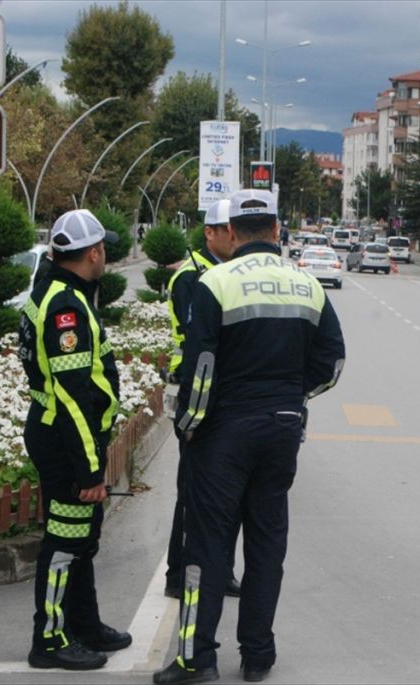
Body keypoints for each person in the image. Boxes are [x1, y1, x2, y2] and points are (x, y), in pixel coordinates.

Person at [154, 190, 345, 685]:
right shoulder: (308, 285)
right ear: (278, 232)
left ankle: (196, 658)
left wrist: (190, 426)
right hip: (282, 428)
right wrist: (293, 397)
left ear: (233, 233)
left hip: (223, 433)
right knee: (266, 546)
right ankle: (258, 655)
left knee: (208, 548)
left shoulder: (213, 283)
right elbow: (333, 363)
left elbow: (200, 369)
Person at [18, 209, 131, 671]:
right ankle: (48, 640)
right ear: (94, 253)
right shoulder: (66, 307)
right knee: (65, 544)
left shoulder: (59, 292)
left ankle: (84, 624)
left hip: (62, 436)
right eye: (104, 250)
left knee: (82, 538)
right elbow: (72, 398)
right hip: (66, 443)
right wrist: (90, 470)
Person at [164, 199, 242, 600]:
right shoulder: (192, 278)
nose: (233, 236)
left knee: (224, 493)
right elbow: (199, 343)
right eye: (226, 230)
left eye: (236, 229)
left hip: (223, 393)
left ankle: (220, 569)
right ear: (209, 232)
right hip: (195, 392)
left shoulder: (226, 273)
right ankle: (179, 573)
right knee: (193, 490)